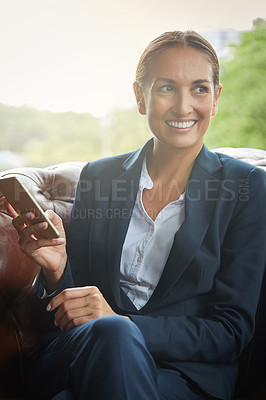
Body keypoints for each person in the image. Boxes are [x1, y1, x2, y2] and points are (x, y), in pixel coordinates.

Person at [6, 30, 266, 400]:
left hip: (182, 377)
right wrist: (57, 270)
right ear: (140, 98)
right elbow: (68, 313)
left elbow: (230, 331)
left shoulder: (247, 188)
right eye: (165, 88)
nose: (183, 106)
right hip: (80, 354)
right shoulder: (100, 177)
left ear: (216, 98)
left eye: (199, 88)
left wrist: (123, 323)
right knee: (110, 338)